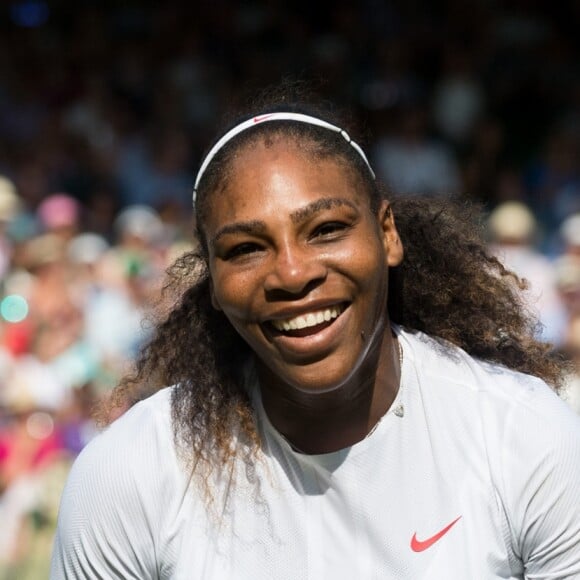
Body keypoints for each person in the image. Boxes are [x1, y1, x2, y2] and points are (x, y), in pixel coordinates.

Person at [50, 90, 580, 579]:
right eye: (245, 249)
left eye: (326, 229)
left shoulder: (525, 437)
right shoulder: (128, 474)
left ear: (387, 235)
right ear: (211, 281)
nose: (293, 273)